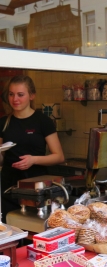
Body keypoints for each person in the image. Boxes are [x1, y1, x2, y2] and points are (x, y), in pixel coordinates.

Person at [0, 75, 64, 223]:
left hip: (36, 187)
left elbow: (59, 156)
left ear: (32, 96)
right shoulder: (3, 122)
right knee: (10, 227)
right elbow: (2, 160)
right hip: (9, 186)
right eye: (11, 94)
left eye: (20, 94)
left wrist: (33, 160)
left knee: (34, 227)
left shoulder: (43, 121)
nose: (15, 99)